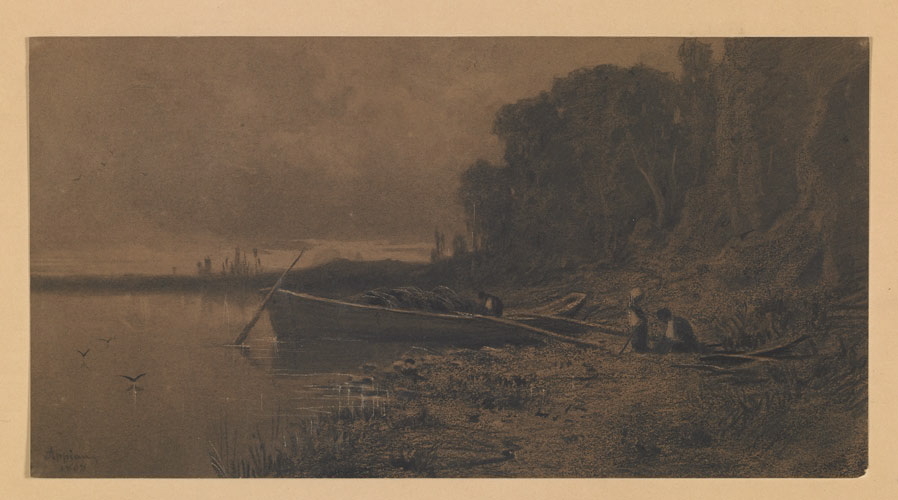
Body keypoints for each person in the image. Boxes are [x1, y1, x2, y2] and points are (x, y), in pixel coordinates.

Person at [626, 288, 649, 353]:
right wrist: (639, 320)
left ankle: (643, 347)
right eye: (639, 298)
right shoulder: (631, 306)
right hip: (636, 323)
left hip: (641, 323)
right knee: (637, 335)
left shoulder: (636, 305)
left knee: (643, 335)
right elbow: (633, 314)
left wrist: (643, 319)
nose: (640, 300)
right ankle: (637, 348)